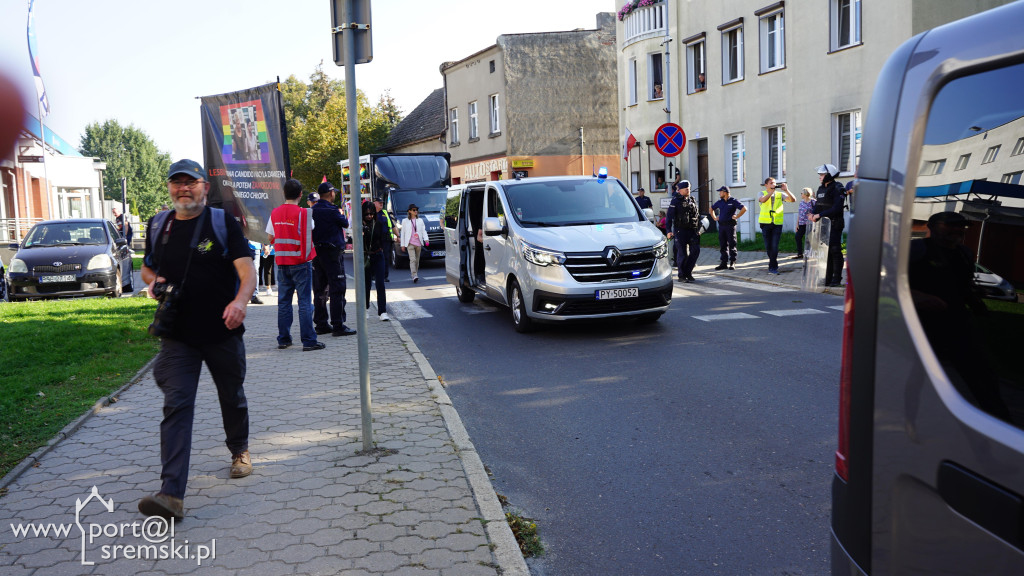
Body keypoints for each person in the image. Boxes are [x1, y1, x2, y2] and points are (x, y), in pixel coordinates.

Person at [137, 159, 257, 520]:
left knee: (231, 395)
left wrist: (240, 301)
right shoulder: (160, 224)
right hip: (178, 335)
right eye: (177, 183)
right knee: (176, 405)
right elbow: (148, 265)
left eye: (191, 183)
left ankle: (239, 450)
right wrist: (153, 281)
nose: (183, 189)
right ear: (170, 188)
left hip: (222, 330)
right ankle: (171, 494)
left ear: (205, 187)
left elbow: (246, 269)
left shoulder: (223, 223)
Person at [909, 211, 1009, 421]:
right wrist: (917, 296)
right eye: (950, 225)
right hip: (924, 325)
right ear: (932, 226)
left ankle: (999, 424)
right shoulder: (916, 250)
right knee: (919, 375)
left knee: (982, 375)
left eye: (961, 226)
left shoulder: (965, 253)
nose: (957, 230)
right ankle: (908, 419)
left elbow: (964, 285)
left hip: (958, 323)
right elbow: (890, 280)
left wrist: (976, 303)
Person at [266, 178, 325, 351]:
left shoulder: (275, 213)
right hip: (301, 262)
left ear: (284, 193)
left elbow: (270, 237)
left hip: (282, 262)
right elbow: (310, 230)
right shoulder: (304, 214)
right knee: (305, 302)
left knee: (284, 302)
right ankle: (308, 340)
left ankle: (284, 339)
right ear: (300, 194)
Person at [311, 181, 355, 337]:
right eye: (334, 192)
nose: (335, 194)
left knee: (320, 289)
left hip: (317, 252)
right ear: (330, 194)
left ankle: (321, 324)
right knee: (337, 288)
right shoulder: (333, 210)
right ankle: (338, 325)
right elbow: (345, 223)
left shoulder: (312, 210)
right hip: (332, 253)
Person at [808, 164, 847, 286]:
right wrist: (812, 214)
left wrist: (820, 215)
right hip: (823, 225)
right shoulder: (820, 189)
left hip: (835, 223)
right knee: (825, 252)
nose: (820, 177)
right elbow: (819, 206)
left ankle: (836, 279)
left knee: (835, 250)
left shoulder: (837, 187)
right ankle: (826, 278)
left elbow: (837, 208)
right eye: (820, 175)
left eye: (822, 174)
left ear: (829, 175)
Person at [758, 177, 796, 274]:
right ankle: (772, 264)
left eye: (774, 183)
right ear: (766, 185)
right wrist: (771, 191)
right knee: (768, 247)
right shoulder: (762, 193)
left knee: (774, 246)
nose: (773, 184)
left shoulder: (780, 194)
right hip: (765, 224)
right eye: (771, 183)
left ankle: (773, 267)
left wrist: (786, 190)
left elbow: (793, 200)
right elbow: (762, 200)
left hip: (777, 224)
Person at [666, 180, 701, 283]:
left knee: (696, 250)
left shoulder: (692, 200)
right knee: (682, 254)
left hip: (693, 230)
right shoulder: (675, 201)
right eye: (686, 189)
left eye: (689, 188)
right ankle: (681, 275)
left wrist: (700, 226)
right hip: (680, 231)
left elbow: (697, 215)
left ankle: (688, 272)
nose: (688, 190)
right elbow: (669, 217)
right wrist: (668, 231)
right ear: (680, 190)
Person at [362, 200, 389, 321]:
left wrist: (383, 251)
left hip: (378, 255)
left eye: (371, 214)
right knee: (366, 284)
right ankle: (366, 308)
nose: (369, 216)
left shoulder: (378, 223)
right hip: (365, 257)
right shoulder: (360, 225)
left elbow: (384, 238)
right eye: (367, 214)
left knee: (380, 284)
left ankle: (382, 311)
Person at [710, 185, 746, 270]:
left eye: (720, 192)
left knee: (732, 244)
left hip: (730, 225)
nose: (719, 193)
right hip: (722, 226)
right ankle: (723, 263)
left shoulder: (733, 201)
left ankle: (732, 262)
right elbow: (711, 209)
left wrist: (737, 216)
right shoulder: (720, 202)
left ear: (725, 192)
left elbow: (744, 208)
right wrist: (715, 218)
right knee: (723, 245)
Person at [400, 203, 429, 283]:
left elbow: (423, 230)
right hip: (410, 243)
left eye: (416, 210)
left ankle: (415, 273)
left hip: (418, 243)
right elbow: (403, 233)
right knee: (412, 259)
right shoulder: (405, 221)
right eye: (414, 210)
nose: (416, 211)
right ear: (409, 211)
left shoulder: (420, 220)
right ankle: (414, 275)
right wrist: (402, 245)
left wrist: (426, 239)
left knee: (417, 260)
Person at [374, 198, 398, 283]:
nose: (381, 204)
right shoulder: (371, 213)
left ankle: (385, 276)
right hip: (375, 239)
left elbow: (392, 226)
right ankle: (374, 275)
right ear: (374, 203)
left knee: (385, 258)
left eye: (382, 202)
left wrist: (398, 236)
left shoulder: (385, 213)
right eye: (379, 202)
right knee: (375, 257)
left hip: (386, 239)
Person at [794, 188, 816, 259]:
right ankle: (800, 253)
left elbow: (817, 211)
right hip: (801, 223)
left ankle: (810, 254)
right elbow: (799, 214)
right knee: (797, 237)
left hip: (810, 223)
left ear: (806, 194)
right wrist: (797, 224)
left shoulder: (813, 202)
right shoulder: (801, 202)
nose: (801, 194)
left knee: (809, 238)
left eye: (802, 193)